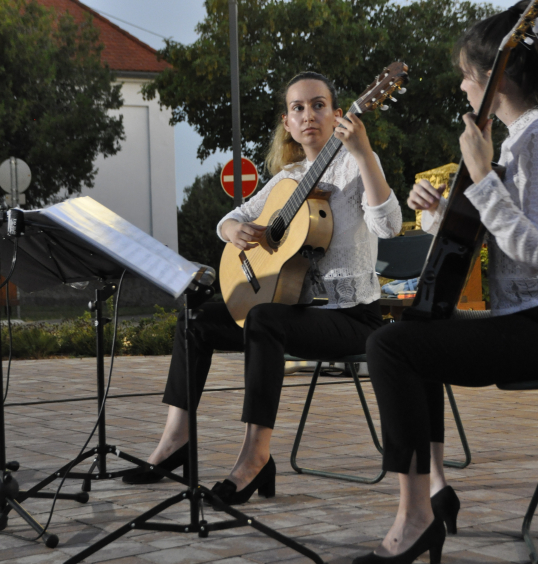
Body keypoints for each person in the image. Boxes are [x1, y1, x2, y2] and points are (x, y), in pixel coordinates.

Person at [356, 3, 538, 563]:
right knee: (418, 328)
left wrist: (477, 174)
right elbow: (490, 231)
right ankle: (436, 494)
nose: (465, 88)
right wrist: (438, 211)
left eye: (468, 76)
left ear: (500, 78)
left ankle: (416, 516)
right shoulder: (528, 135)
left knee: (391, 347)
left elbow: (536, 252)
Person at [124, 71, 402, 506]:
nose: (308, 114)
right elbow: (228, 220)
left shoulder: (354, 165)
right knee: (196, 316)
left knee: (262, 320)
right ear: (287, 123)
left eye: (318, 104)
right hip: (290, 310)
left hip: (350, 318)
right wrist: (235, 229)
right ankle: (174, 443)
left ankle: (255, 457)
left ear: (337, 114)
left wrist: (364, 153)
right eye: (297, 108)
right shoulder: (288, 178)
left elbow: (389, 225)